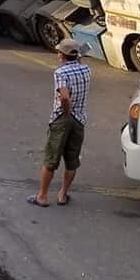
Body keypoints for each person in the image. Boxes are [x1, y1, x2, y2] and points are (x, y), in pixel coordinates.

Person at [28, 38, 92, 207]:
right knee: (72, 160)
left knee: (51, 159)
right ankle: (63, 194)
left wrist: (65, 108)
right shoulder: (86, 70)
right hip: (79, 119)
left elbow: (64, 96)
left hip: (62, 118)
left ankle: (42, 196)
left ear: (62, 55)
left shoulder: (60, 73)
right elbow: (78, 61)